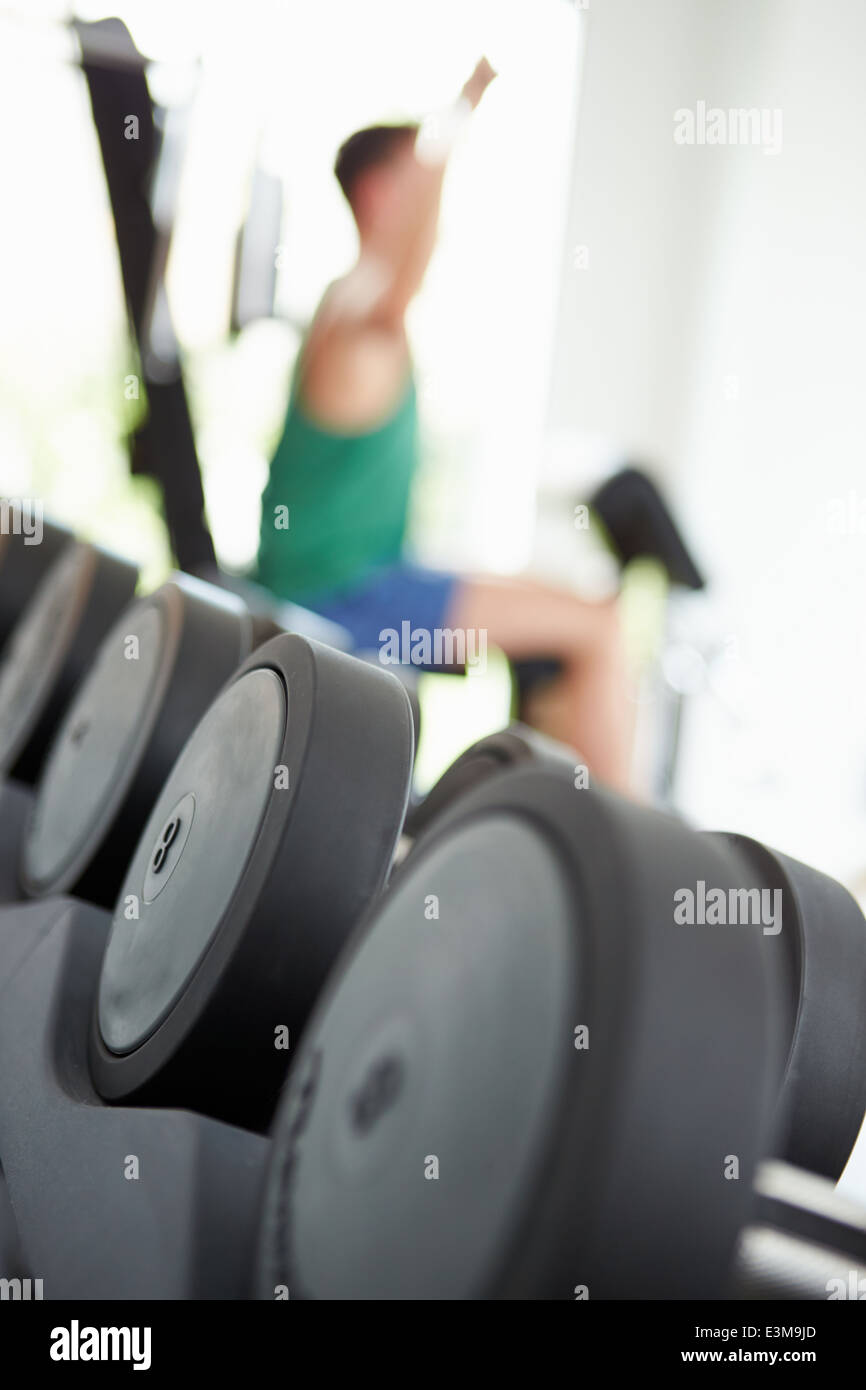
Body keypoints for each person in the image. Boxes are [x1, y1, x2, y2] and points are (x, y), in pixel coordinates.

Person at [257, 58, 633, 791]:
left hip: (364, 578)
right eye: (415, 183)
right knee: (599, 624)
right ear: (377, 195)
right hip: (344, 599)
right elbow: (403, 264)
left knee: (552, 598)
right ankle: (640, 864)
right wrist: (463, 108)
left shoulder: (354, 311)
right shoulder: (363, 307)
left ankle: (555, 822)